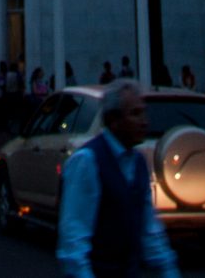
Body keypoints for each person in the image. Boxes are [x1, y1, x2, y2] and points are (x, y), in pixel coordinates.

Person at [57, 80, 180, 278]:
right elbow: (74, 238)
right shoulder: (88, 161)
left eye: (144, 112)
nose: (144, 121)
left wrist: (168, 269)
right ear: (113, 119)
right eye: (135, 114)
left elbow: (149, 228)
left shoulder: (138, 162)